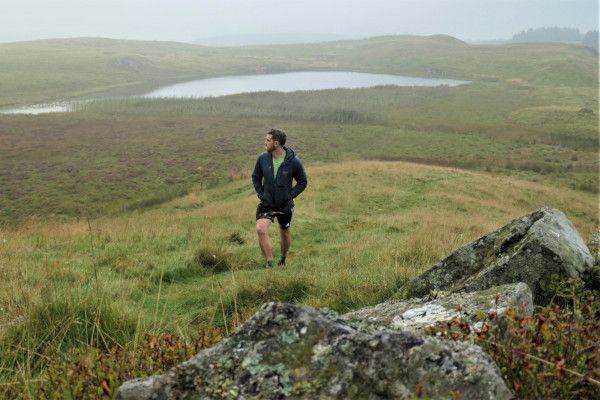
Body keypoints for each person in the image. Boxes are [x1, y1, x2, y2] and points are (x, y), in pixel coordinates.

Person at [252, 128, 307, 268]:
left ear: (276, 143)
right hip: (267, 203)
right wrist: (261, 194)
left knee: (284, 231)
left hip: (285, 205)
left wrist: (290, 196)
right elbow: (256, 177)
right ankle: (269, 263)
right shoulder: (262, 158)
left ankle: (282, 259)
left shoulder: (294, 161)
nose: (265, 143)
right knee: (261, 229)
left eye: (267, 140)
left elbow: (302, 182)